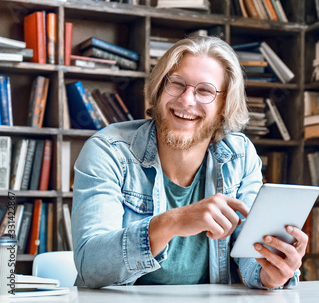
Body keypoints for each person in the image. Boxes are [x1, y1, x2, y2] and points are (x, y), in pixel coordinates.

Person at [71, 36, 307, 289]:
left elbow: (250, 251)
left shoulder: (240, 155)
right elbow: (90, 265)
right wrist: (172, 222)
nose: (186, 100)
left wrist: (270, 274)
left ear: (224, 106)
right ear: (160, 88)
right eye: (176, 84)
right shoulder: (109, 150)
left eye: (204, 91)